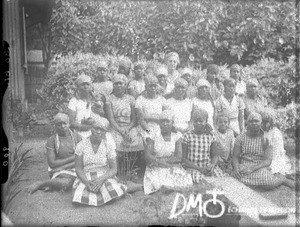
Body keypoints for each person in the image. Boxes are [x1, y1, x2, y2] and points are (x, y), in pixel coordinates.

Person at [72, 118, 142, 206]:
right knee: (79, 199)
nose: (98, 132)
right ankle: (118, 190)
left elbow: (113, 169)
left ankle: (129, 187)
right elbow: (78, 168)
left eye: (102, 130)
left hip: (104, 175)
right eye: (96, 128)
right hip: (86, 176)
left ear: (105, 132)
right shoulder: (81, 145)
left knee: (114, 194)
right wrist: (86, 182)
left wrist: (101, 180)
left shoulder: (108, 145)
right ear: (91, 128)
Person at [231, 112, 294, 190]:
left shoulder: (266, 139)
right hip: (244, 165)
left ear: (261, 123)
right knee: (235, 179)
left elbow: (268, 160)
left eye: (256, 121)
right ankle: (254, 183)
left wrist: (253, 168)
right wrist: (236, 169)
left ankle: (282, 179)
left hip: (259, 167)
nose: (253, 123)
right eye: (251, 121)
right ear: (247, 123)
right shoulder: (240, 137)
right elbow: (235, 156)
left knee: (268, 183)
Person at [27, 113, 82, 194]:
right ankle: (41, 183)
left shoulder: (77, 137)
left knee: (78, 180)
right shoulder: (52, 140)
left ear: (69, 124)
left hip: (75, 167)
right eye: (59, 124)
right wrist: (74, 157)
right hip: (58, 170)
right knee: (66, 182)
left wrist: (65, 166)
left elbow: (83, 159)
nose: (63, 126)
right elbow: (52, 163)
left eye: (65, 123)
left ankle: (52, 184)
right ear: (55, 126)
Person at [144, 110, 193, 194]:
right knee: (155, 182)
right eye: (162, 121)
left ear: (172, 123)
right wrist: (159, 161)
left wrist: (166, 162)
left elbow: (178, 157)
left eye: (167, 121)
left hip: (171, 165)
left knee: (186, 181)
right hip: (156, 165)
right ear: (159, 123)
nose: (165, 124)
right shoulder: (152, 134)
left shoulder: (177, 135)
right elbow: (148, 155)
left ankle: (169, 188)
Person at [105, 74, 144, 178]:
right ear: (113, 85)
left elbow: (134, 119)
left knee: (138, 140)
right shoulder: (109, 99)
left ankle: (133, 169)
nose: (118, 86)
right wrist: (121, 130)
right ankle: (119, 170)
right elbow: (111, 119)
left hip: (129, 126)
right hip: (115, 127)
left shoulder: (131, 99)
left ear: (125, 85)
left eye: (121, 83)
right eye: (116, 83)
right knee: (115, 142)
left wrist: (127, 128)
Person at [182, 108, 226, 184]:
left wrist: (212, 166)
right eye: (196, 121)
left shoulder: (210, 136)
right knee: (199, 181)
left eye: (201, 121)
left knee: (220, 179)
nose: (198, 123)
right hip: (193, 167)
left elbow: (215, 156)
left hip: (208, 166)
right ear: (192, 122)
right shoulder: (186, 136)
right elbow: (184, 159)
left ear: (206, 122)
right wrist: (200, 169)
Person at [260, 108, 293, 175]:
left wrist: (268, 161)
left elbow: (277, 152)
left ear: (271, 122)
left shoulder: (275, 133)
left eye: (266, 122)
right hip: (264, 156)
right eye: (262, 121)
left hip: (274, 158)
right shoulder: (263, 131)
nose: (263, 124)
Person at [68, 74, 94, 139]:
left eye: (87, 84)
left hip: (95, 132)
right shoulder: (74, 101)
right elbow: (72, 123)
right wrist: (87, 127)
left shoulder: (95, 100)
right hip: (79, 133)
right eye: (83, 85)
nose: (86, 87)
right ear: (78, 87)